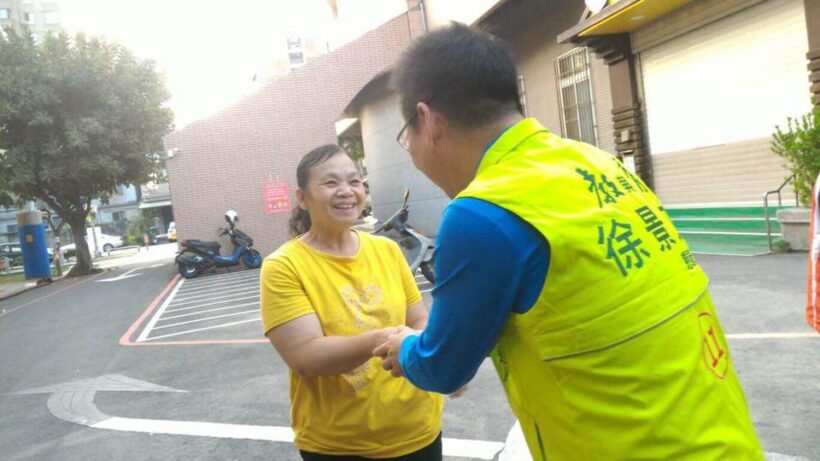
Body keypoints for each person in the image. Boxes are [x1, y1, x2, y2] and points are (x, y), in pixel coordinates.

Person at [374, 23, 763, 460]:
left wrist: (404, 346)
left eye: (405, 135)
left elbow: (443, 366)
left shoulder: (482, 213)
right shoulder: (599, 164)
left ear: (428, 121)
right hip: (725, 441)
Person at [260, 144, 443, 460]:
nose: (346, 191)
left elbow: (419, 319)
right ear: (302, 198)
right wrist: (386, 338)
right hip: (340, 446)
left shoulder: (386, 250)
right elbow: (307, 356)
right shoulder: (284, 266)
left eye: (354, 181)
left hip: (418, 430)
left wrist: (433, 357)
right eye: (330, 183)